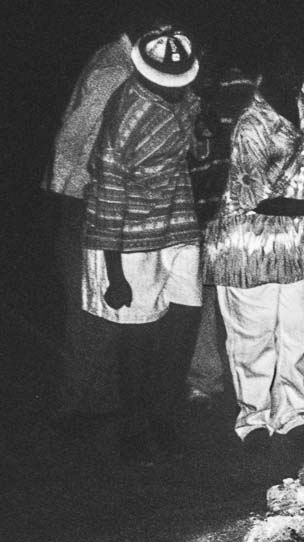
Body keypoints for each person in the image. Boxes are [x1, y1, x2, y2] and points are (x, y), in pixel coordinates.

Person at [81, 26, 204, 466]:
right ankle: (134, 429)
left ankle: (163, 416)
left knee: (184, 318)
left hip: (178, 222)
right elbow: (108, 189)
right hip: (128, 233)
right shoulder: (128, 111)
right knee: (137, 334)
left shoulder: (185, 99)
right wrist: (113, 272)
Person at [204, 43, 304, 450]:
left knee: (296, 329)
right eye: (285, 67)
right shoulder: (250, 122)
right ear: (264, 73)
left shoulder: (302, 93)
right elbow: (256, 197)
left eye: (297, 67)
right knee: (252, 336)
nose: (293, 74)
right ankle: (253, 418)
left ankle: (293, 414)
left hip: (294, 239)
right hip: (248, 241)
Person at [44, 14, 155, 427]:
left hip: (83, 197)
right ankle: (82, 405)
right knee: (91, 305)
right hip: (86, 201)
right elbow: (77, 136)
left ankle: (95, 399)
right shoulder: (117, 70)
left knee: (96, 304)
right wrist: (90, 183)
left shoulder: (113, 57)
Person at [186, 61, 257, 405]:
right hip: (203, 212)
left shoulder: (242, 84)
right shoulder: (187, 97)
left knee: (241, 299)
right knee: (205, 297)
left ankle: (249, 381)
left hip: (241, 213)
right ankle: (206, 377)